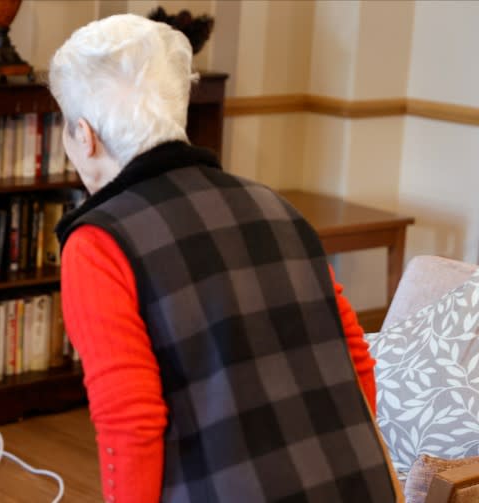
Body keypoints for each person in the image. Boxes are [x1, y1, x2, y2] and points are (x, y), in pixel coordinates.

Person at [49, 14, 401, 503]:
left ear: (84, 136)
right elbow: (355, 359)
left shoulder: (98, 245)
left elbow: (131, 423)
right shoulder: (277, 207)